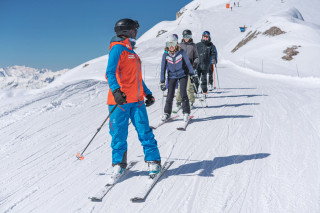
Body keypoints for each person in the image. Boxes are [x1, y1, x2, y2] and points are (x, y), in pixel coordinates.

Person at [105, 18, 161, 179]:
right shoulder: (118, 49)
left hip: (136, 101)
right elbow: (110, 72)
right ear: (127, 31)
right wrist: (116, 91)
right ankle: (118, 164)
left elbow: (137, 78)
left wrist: (147, 93)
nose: (136, 33)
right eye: (134, 30)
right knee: (118, 134)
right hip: (119, 101)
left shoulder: (132, 53)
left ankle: (153, 161)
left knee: (145, 131)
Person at [160, 34, 197, 122]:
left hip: (183, 75)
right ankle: (167, 113)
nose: (171, 46)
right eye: (169, 44)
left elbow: (188, 64)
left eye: (173, 44)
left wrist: (193, 74)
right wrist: (162, 81)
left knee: (183, 93)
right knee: (170, 95)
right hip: (172, 76)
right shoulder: (165, 55)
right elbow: (163, 68)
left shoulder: (181, 52)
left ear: (176, 44)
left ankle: (186, 113)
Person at [175, 29, 199, 110]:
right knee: (180, 87)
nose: (186, 38)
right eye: (185, 36)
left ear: (191, 36)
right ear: (183, 36)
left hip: (190, 68)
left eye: (188, 36)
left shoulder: (193, 45)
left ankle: (191, 101)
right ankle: (178, 102)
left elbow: (196, 57)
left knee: (189, 86)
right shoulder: (180, 45)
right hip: (181, 68)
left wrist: (195, 63)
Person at [195, 31, 216, 96]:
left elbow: (213, 53)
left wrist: (213, 59)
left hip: (205, 64)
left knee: (204, 79)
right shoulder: (197, 45)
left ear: (209, 37)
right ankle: (195, 91)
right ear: (202, 36)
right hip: (197, 64)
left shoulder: (211, 45)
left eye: (207, 37)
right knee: (196, 78)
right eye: (204, 36)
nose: (205, 38)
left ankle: (204, 91)